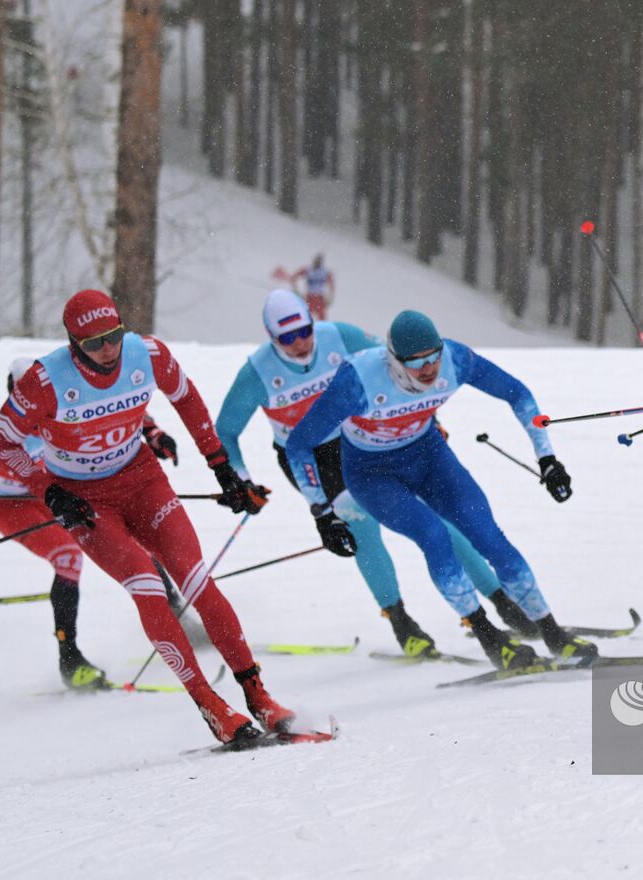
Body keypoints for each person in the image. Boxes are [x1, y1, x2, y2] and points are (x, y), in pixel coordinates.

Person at [0, 289, 294, 746]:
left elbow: (187, 401)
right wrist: (48, 490)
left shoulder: (146, 354)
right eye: (94, 344)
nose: (107, 350)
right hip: (86, 501)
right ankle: (210, 705)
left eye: (113, 336)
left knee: (196, 580)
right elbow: (1, 442)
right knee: (148, 587)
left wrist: (222, 468)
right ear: (73, 343)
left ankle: (258, 694)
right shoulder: (45, 380)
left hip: (142, 482)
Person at [215, 290, 538, 656]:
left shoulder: (342, 336)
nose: (300, 343)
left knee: (438, 520)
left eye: (305, 331)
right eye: (287, 338)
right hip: (315, 458)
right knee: (363, 529)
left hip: (373, 441)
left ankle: (502, 603)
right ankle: (402, 622)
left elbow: (403, 374)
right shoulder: (257, 372)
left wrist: (430, 418)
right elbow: (225, 431)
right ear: (271, 337)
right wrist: (241, 479)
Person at [286, 310, 593, 669]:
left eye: (434, 357)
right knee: (434, 535)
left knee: (488, 535)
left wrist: (548, 459)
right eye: (417, 363)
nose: (430, 369)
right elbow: (299, 444)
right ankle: (489, 637)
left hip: (429, 457)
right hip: (372, 474)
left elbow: (518, 394)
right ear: (394, 361)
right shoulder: (358, 380)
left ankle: (553, 632)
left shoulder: (456, 360)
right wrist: (322, 513)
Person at [0, 359, 174, 689]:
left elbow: (116, 407)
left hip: (58, 491)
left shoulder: (67, 404)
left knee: (131, 532)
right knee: (68, 558)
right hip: (13, 506)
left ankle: (176, 609)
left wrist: (154, 434)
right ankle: (70, 659)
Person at [291, 253, 335, 320]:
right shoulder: (308, 270)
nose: (317, 262)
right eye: (316, 260)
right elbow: (294, 277)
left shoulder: (325, 272)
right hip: (310, 297)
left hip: (320, 298)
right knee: (305, 316)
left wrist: (330, 298)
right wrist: (296, 291)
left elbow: (331, 285)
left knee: (322, 318)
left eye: (319, 261)